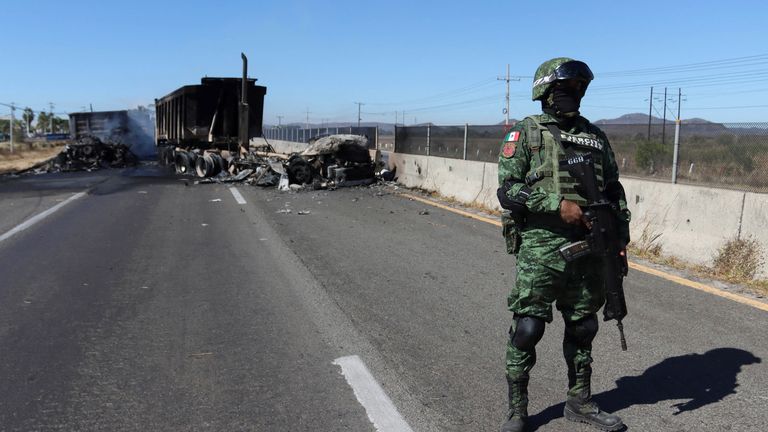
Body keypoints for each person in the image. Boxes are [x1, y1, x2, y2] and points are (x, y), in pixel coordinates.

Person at [496, 57, 631, 432]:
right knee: (528, 328)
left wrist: (620, 237)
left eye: (578, 89)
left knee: (584, 325)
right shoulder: (526, 134)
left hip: (590, 245)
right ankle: (518, 409)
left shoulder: (595, 136)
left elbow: (613, 191)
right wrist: (557, 205)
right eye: (565, 88)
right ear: (545, 91)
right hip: (542, 245)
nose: (574, 95)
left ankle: (580, 400)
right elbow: (508, 191)